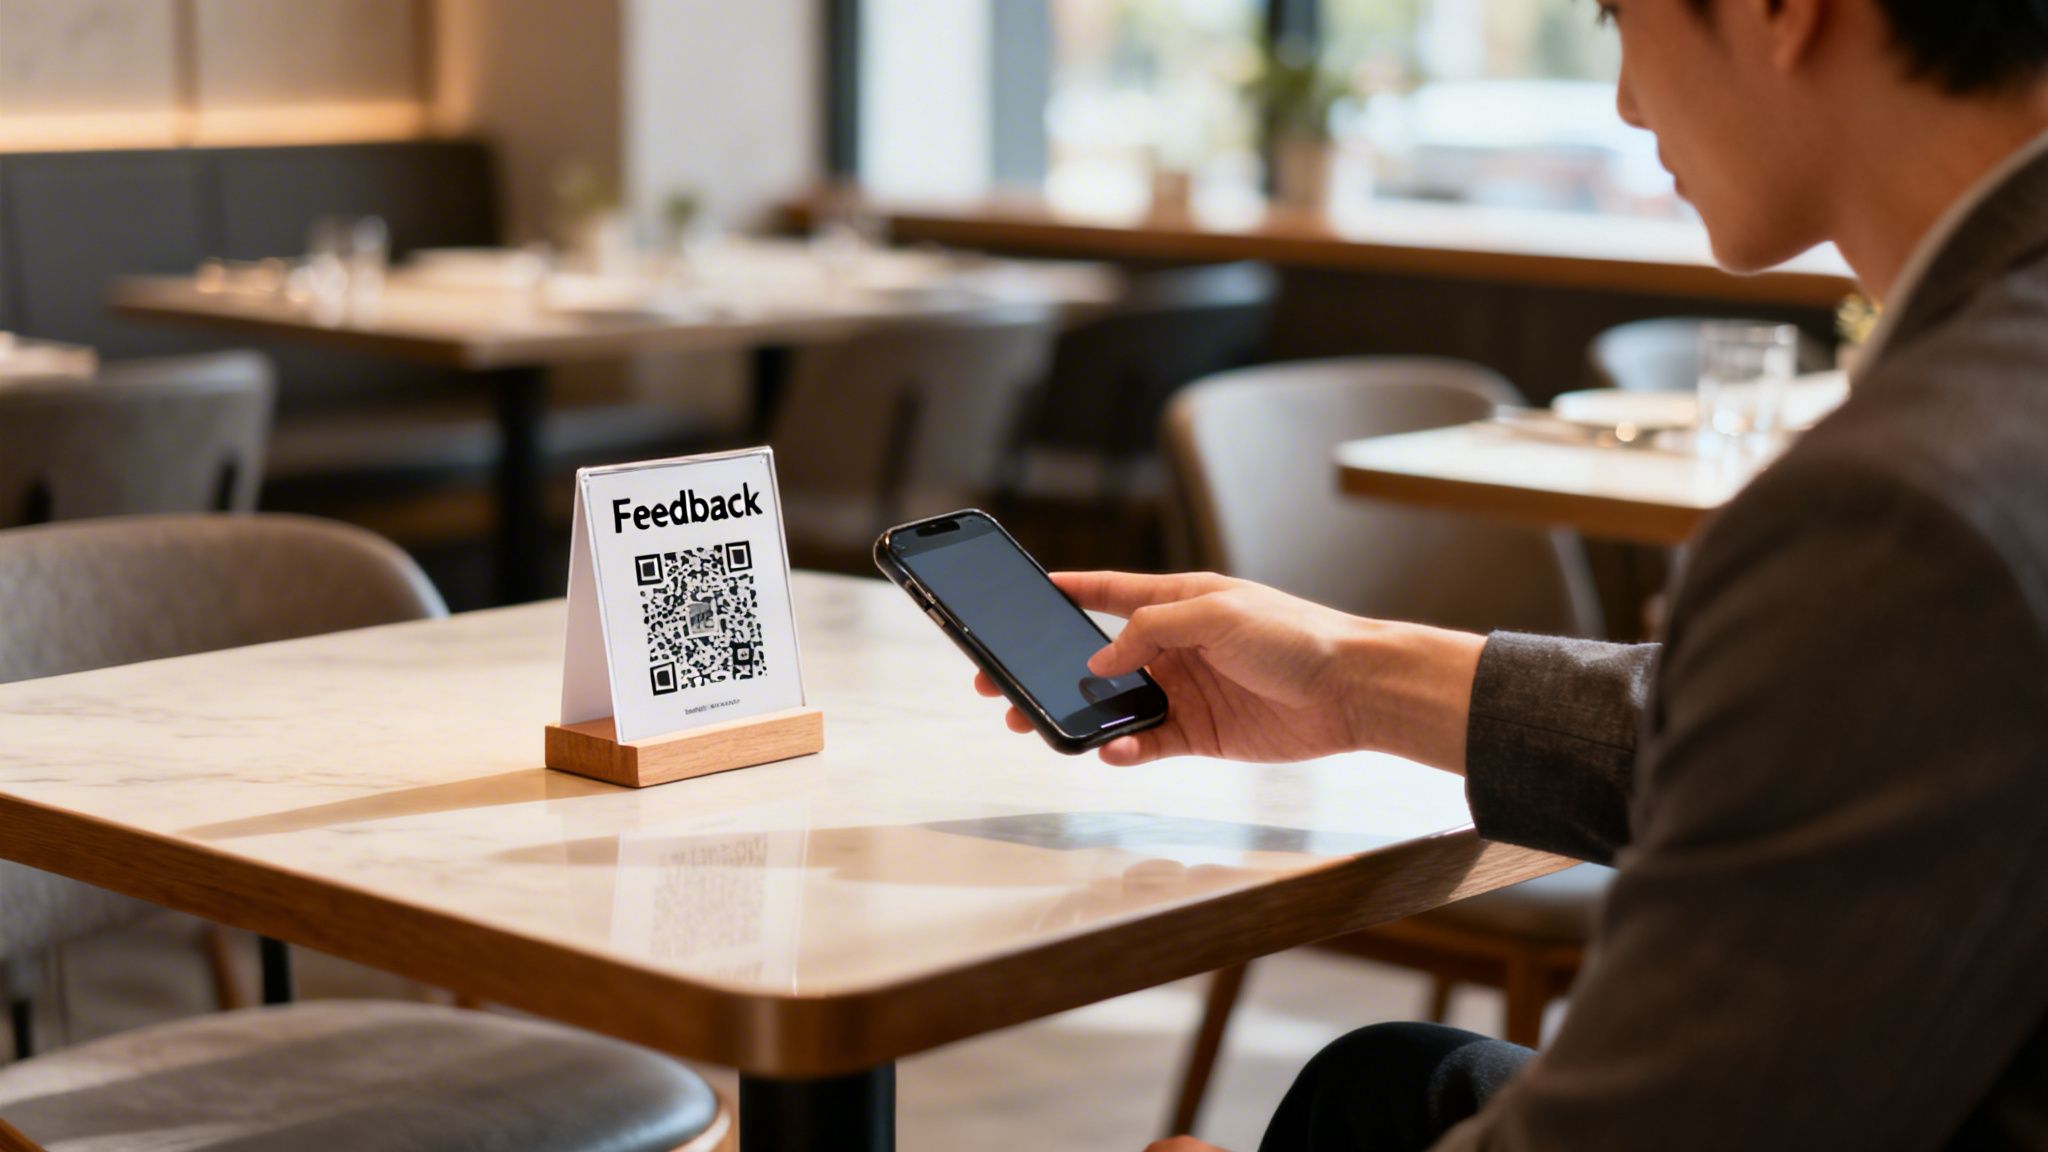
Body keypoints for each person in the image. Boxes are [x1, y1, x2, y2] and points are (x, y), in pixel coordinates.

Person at [978, 1, 2048, 1147]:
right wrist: (1345, 676)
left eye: (1619, 18)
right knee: (1394, 1082)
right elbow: (1826, 744)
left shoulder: (1903, 501)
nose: (1627, 102)